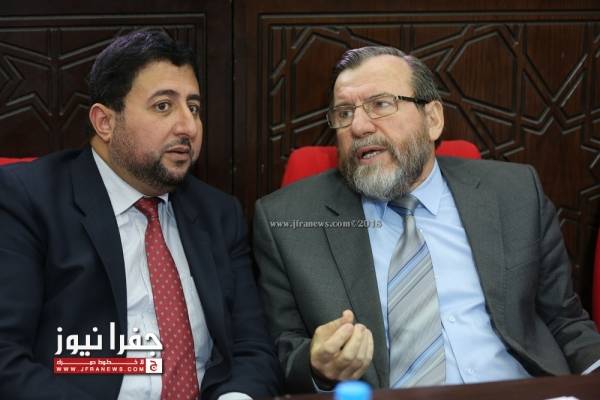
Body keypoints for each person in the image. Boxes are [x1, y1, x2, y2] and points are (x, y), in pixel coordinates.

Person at [252, 46, 600, 394]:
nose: (357, 126)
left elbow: (564, 320)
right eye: (344, 113)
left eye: (380, 104)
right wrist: (319, 367)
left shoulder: (515, 192)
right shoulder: (286, 221)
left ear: (432, 118)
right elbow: (283, 352)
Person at [0, 30, 281, 400]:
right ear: (105, 122)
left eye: (193, 108)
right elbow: (7, 360)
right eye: (163, 106)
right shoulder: (28, 200)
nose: (188, 127)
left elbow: (252, 349)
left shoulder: (219, 213)